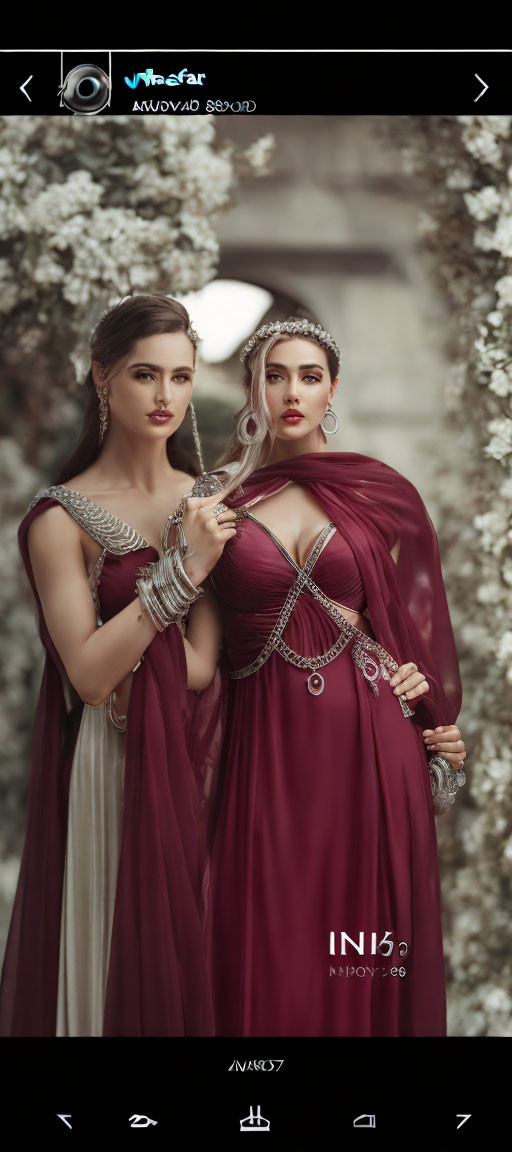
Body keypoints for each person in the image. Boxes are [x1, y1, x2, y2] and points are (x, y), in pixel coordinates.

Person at [199, 316, 467, 1037]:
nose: (292, 391)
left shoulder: (378, 494)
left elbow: (411, 627)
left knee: (355, 950)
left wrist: (424, 699)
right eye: (275, 374)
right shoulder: (214, 503)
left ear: (332, 390)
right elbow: (196, 651)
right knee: (269, 948)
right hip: (264, 745)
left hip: (370, 741)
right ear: (249, 387)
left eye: (309, 376)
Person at [0, 294, 237, 1037]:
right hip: (110, 768)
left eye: (181, 377)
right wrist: (185, 570)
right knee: (115, 976)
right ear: (102, 378)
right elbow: (91, 677)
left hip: (209, 758)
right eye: (144, 375)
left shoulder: (208, 502)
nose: (166, 396)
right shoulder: (60, 519)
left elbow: (207, 665)